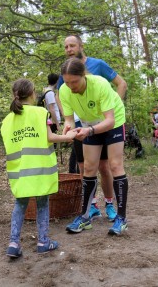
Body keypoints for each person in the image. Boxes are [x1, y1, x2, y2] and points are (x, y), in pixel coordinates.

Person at [0, 79, 77, 258]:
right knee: (42, 204)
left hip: (19, 171)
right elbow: (49, 137)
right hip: (40, 169)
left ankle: (13, 243)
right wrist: (68, 136)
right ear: (32, 93)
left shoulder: (7, 120)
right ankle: (43, 241)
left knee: (20, 205)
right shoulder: (40, 112)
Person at [56, 35, 127, 222]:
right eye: (67, 82)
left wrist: (112, 104)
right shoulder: (64, 88)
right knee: (87, 167)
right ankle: (86, 213)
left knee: (113, 165)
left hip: (112, 121)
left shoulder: (99, 81)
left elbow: (110, 120)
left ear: (84, 76)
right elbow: (69, 119)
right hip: (88, 123)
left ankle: (120, 216)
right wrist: (68, 129)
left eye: (74, 83)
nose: (70, 87)